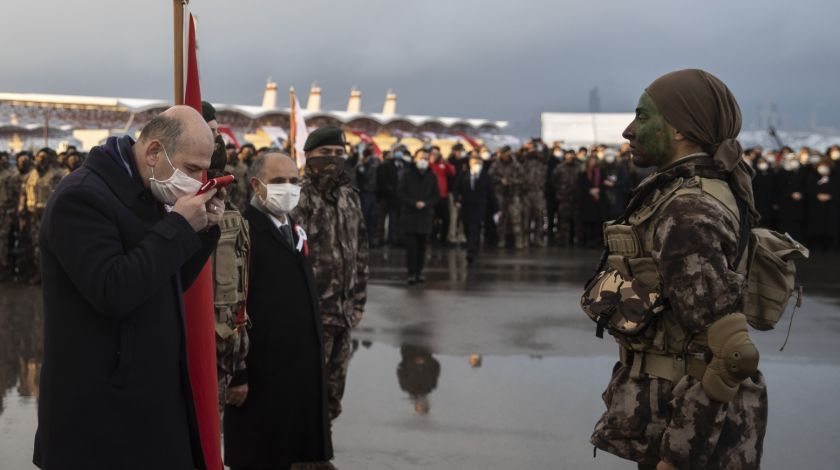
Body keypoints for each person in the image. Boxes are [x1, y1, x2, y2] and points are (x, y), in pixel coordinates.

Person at [585, 69, 766, 470]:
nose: (629, 131)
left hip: (691, 436)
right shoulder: (684, 191)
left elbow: (724, 351)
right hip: (673, 418)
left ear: (681, 129)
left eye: (644, 117)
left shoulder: (689, 208)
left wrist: (679, 457)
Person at [34, 106, 225, 469]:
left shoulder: (148, 193)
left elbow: (163, 284)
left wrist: (201, 233)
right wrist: (179, 229)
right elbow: (113, 289)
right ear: (154, 152)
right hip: (100, 420)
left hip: (148, 407)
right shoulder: (82, 198)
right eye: (190, 169)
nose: (197, 181)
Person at [224, 153, 333, 470]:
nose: (288, 188)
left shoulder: (294, 230)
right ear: (257, 185)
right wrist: (237, 372)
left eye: (294, 181)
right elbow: (232, 306)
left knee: (296, 453)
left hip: (297, 369)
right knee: (262, 454)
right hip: (260, 373)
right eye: (278, 182)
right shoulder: (244, 232)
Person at [291, 126, 369, 422]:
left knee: (333, 394)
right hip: (312, 313)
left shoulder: (350, 196)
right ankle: (303, 458)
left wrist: (359, 301)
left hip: (344, 312)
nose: (332, 159)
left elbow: (361, 251)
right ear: (308, 155)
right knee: (306, 391)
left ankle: (322, 450)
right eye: (325, 153)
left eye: (338, 153)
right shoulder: (298, 196)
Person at [17, 148, 65, 285]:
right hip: (33, 217)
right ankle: (39, 273)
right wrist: (21, 210)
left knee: (51, 247)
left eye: (43, 158)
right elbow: (24, 193)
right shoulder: (32, 175)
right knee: (35, 245)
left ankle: (50, 276)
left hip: (50, 217)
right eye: (38, 157)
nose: (39, 160)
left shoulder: (56, 175)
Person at [398, 148, 440, 284]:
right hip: (410, 214)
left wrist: (426, 203)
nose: (423, 160)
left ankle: (419, 271)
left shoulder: (432, 176)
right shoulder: (407, 174)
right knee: (411, 247)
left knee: (422, 247)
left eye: (426, 158)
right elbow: (400, 192)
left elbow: (436, 195)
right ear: (415, 158)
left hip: (425, 215)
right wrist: (414, 203)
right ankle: (411, 273)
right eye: (421, 157)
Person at [455, 151, 493, 264]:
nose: (476, 164)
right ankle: (473, 247)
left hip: (479, 206)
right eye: (473, 162)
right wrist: (457, 200)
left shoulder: (485, 176)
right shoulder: (464, 174)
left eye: (478, 162)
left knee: (474, 228)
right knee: (467, 228)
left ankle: (471, 252)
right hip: (466, 206)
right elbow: (456, 189)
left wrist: (495, 209)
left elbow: (490, 193)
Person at [489, 146, 525, 249]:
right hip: (500, 194)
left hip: (513, 194)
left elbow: (522, 178)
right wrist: (500, 180)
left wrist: (511, 181)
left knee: (516, 218)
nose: (507, 155)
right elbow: (490, 177)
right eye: (504, 153)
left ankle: (519, 240)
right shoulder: (496, 165)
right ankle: (501, 240)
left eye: (508, 153)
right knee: (501, 219)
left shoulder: (516, 165)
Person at [805, 158, 839, 250]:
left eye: (826, 166)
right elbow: (808, 189)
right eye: (821, 166)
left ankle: (830, 246)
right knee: (817, 226)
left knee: (830, 227)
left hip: (831, 207)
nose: (824, 168)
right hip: (816, 206)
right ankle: (816, 246)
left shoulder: (836, 177)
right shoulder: (813, 177)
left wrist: (831, 196)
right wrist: (817, 195)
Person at [377, 147, 408, 246]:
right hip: (385, 196)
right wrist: (391, 190)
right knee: (381, 219)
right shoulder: (385, 165)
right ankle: (380, 239)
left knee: (395, 219)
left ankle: (394, 239)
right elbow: (382, 180)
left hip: (398, 198)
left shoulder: (405, 165)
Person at [521, 144, 548, 247]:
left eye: (535, 149)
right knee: (526, 217)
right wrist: (525, 148)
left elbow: (547, 155)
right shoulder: (524, 161)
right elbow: (518, 157)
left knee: (539, 216)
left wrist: (543, 145)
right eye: (531, 149)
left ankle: (538, 239)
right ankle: (525, 239)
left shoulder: (542, 162)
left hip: (539, 192)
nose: (533, 151)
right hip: (527, 193)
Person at [551, 149, 580, 246]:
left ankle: (575, 239)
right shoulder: (559, 168)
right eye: (567, 156)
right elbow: (554, 182)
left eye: (571, 156)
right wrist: (559, 192)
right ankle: (563, 240)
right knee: (563, 220)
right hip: (563, 198)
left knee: (576, 220)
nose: (569, 158)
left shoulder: (578, 168)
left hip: (575, 197)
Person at [775, 152, 807, 241]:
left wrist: (801, 193)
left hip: (798, 204)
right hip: (786, 204)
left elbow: (805, 185)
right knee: (786, 225)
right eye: (790, 160)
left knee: (797, 226)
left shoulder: (801, 172)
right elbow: (779, 187)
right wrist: (790, 194)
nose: (792, 162)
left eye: (794, 159)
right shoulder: (781, 172)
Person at [429, 146, 456, 246]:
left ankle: (443, 238)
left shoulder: (443, 164)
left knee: (446, 218)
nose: (435, 156)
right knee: (433, 218)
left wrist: (446, 163)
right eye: (433, 154)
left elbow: (452, 172)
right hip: (431, 196)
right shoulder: (428, 164)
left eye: (437, 154)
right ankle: (433, 237)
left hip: (442, 195)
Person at [0, 151, 20, 281]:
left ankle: (6, 269)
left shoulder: (10, 175)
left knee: (5, 240)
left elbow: (15, 196)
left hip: (5, 211)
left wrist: (11, 211)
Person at [355, 147, 380, 247]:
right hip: (369, 193)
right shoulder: (374, 164)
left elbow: (366, 175)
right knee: (368, 217)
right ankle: (367, 238)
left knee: (368, 216)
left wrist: (363, 165)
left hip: (368, 192)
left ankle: (366, 239)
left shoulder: (369, 165)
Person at [578, 155, 603, 247]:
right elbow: (581, 184)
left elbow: (603, 183)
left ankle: (595, 240)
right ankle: (586, 240)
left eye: (594, 161)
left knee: (596, 221)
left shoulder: (600, 172)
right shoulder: (583, 173)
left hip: (597, 201)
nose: (592, 163)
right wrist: (590, 190)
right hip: (586, 200)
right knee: (586, 221)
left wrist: (598, 190)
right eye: (591, 161)